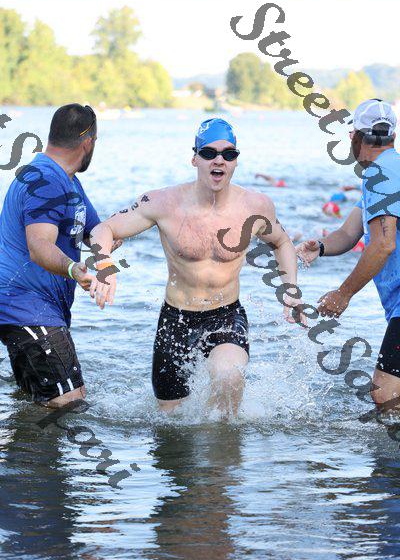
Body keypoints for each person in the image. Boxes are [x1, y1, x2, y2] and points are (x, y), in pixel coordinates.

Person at [89, 118, 305, 416]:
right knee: (171, 422)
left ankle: (223, 445)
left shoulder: (255, 206)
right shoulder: (163, 202)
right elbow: (103, 229)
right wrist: (104, 266)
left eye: (228, 154)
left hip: (225, 315)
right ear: (195, 159)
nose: (219, 160)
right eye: (209, 153)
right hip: (175, 320)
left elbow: (281, 242)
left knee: (228, 379)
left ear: (235, 161)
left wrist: (290, 290)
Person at [0, 104, 119, 408]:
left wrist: (107, 251)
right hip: (25, 307)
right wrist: (73, 268)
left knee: (38, 403)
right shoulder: (45, 180)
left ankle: (22, 438)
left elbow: (96, 230)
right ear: (88, 143)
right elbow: (39, 245)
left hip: (36, 309)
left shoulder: (67, 181)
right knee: (69, 401)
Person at [296, 99, 400, 411]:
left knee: (386, 395)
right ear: (393, 137)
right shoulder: (388, 170)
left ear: (355, 137)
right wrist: (320, 247)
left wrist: (344, 294)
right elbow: (349, 232)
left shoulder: (380, 174)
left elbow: (383, 244)